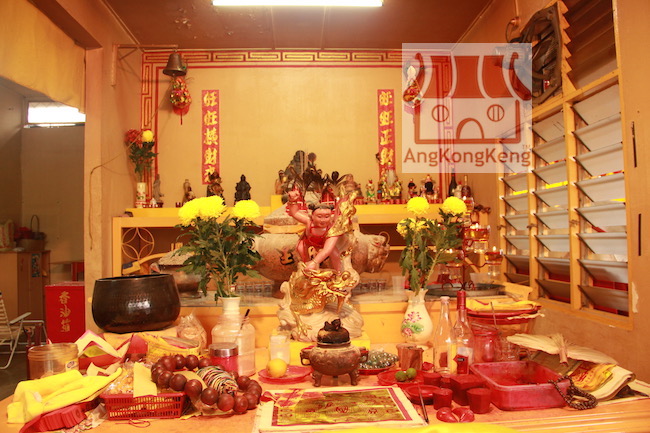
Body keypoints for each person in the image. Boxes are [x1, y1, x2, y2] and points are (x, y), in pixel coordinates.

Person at [286, 189, 342, 272]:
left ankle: (338, 273)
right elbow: (295, 213)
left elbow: (327, 250)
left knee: (335, 254)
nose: (323, 220)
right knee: (301, 248)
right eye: (319, 216)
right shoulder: (309, 222)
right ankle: (307, 269)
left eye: (327, 216)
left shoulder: (332, 228)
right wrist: (293, 201)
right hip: (308, 243)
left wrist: (315, 262)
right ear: (312, 216)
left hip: (324, 244)